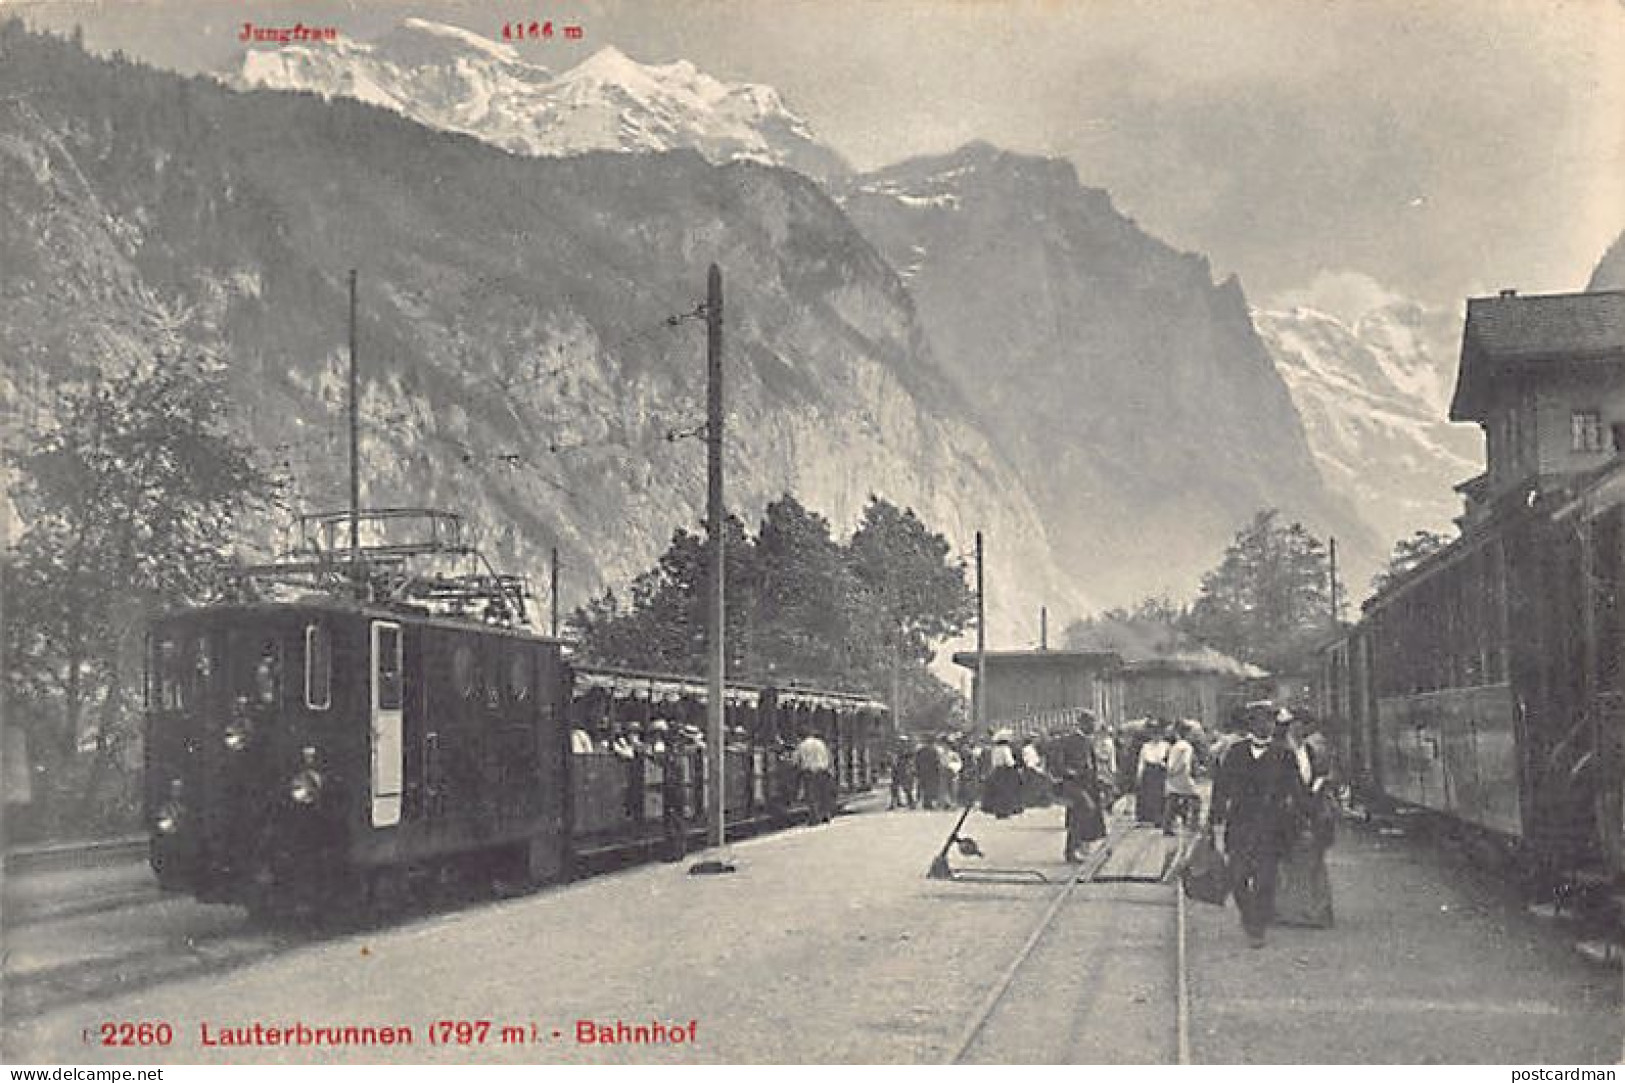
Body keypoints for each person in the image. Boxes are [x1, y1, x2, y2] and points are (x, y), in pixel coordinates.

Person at [1209, 703, 1303, 947]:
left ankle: (1257, 926)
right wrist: (1213, 819)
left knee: (1265, 879)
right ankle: (1248, 915)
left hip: (1272, 826)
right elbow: (1221, 788)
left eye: (1269, 721)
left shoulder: (1284, 755)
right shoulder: (1236, 752)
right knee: (1237, 877)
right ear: (1250, 724)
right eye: (1259, 720)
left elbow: (1297, 790)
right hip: (1240, 824)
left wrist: (1302, 819)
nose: (1265, 725)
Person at [1275, 713, 1336, 928]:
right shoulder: (1282, 752)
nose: (1299, 730)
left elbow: (1311, 777)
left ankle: (1311, 911)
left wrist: (1316, 790)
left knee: (1310, 861)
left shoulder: (1307, 750)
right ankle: (1294, 910)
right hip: (1290, 811)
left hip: (1308, 808)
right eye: (1295, 726)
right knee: (1291, 862)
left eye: (1302, 726)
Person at [1163, 721, 1200, 835]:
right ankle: (1193, 824)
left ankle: (1167, 826)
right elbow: (1184, 762)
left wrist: (1170, 772)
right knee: (1196, 798)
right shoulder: (1187, 747)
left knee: (1172, 799)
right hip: (1182, 776)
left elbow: (1168, 760)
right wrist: (1179, 771)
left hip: (1172, 775)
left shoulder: (1175, 746)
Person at [792, 728, 835, 824]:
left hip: (810, 772)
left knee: (811, 796)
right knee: (823, 794)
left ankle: (814, 818)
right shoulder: (820, 743)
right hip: (823, 770)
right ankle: (825, 815)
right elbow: (828, 756)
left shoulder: (802, 746)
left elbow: (795, 760)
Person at [982, 730, 1022, 818]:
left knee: (999, 791)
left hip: (997, 771)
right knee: (1007, 791)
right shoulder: (1005, 749)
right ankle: (1006, 811)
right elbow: (1009, 761)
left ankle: (998, 811)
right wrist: (1015, 765)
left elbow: (993, 762)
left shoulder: (995, 749)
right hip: (1006, 771)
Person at [1136, 723, 1170, 825]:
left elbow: (1169, 759)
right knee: (1148, 795)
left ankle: (1159, 817)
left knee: (1160, 795)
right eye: (1154, 734)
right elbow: (1142, 761)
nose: (1156, 737)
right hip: (1149, 772)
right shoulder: (1146, 746)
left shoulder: (1166, 745)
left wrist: (1166, 766)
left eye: (1158, 734)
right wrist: (1139, 773)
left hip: (1160, 771)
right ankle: (1148, 817)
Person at [915, 738, 944, 810]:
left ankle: (926, 803)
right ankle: (927, 803)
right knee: (929, 788)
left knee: (925, 788)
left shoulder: (921, 751)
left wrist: (917, 770)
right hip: (930, 772)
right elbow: (937, 761)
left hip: (924, 771)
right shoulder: (934, 751)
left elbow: (916, 761)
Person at [889, 737, 917, 809]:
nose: (901, 743)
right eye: (900, 742)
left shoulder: (908, 751)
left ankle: (911, 803)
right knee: (894, 787)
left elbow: (911, 760)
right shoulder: (896, 750)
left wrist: (910, 769)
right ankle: (894, 803)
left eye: (903, 742)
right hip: (896, 769)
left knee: (906, 787)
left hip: (904, 769)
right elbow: (893, 759)